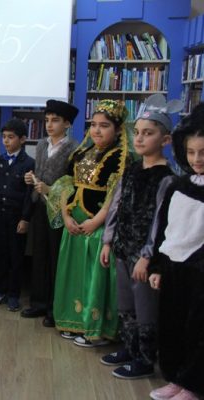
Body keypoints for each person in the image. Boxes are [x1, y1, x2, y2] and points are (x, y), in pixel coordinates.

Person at [99, 96, 178, 379]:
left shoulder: (166, 179)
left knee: (145, 309)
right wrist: (108, 241)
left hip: (144, 257)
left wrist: (147, 257)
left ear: (165, 140)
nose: (140, 138)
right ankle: (129, 348)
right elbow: (117, 206)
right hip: (123, 248)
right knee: (126, 305)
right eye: (137, 132)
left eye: (148, 133)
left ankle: (144, 360)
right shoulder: (132, 170)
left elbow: (160, 222)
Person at [48, 100, 131, 347]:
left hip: (97, 227)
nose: (96, 130)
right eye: (93, 125)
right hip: (74, 225)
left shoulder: (120, 157)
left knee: (93, 277)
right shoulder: (81, 153)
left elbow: (116, 195)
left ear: (117, 129)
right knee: (74, 274)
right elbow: (66, 185)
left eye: (104, 126)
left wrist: (96, 221)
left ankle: (95, 328)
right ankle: (73, 321)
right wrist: (66, 216)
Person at [147, 103, 204, 400]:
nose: (197, 159)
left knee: (197, 329)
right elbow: (164, 228)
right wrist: (157, 266)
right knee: (171, 324)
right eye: (191, 152)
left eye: (203, 153)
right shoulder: (178, 186)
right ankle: (175, 377)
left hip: (199, 271)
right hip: (173, 266)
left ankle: (193, 384)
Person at [21, 99, 80, 327]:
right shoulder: (41, 144)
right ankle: (38, 302)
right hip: (40, 207)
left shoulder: (74, 149)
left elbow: (73, 184)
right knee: (39, 255)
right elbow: (40, 172)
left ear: (67, 124)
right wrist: (32, 178)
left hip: (59, 210)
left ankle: (55, 308)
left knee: (56, 258)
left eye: (55, 120)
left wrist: (50, 190)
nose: (49, 125)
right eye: (47, 120)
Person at [0, 118, 34, 312]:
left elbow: (29, 195)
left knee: (16, 257)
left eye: (11, 137)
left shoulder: (29, 163)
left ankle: (13, 294)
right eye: (4, 137)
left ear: (22, 139)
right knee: (1, 255)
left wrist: (25, 218)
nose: (6, 141)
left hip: (16, 217)